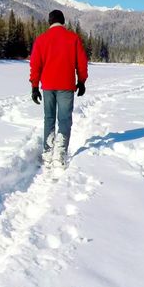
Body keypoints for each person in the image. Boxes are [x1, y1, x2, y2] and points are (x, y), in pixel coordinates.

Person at [28, 9, 88, 170]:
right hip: (66, 86)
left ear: (49, 22)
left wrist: (34, 86)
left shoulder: (41, 40)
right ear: (63, 22)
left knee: (48, 119)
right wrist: (81, 81)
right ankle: (59, 155)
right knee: (64, 120)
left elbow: (35, 64)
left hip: (47, 86)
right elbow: (82, 62)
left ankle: (47, 154)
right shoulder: (73, 38)